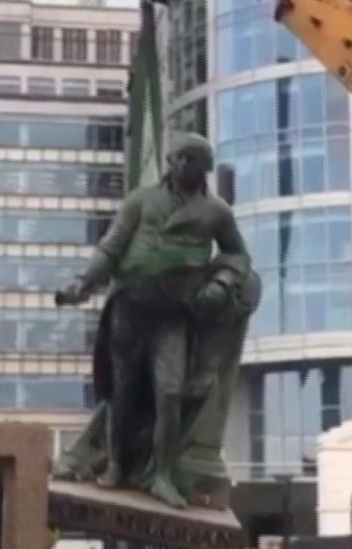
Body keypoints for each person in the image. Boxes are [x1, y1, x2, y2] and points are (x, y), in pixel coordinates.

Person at [56, 132, 251, 508]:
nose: (178, 165)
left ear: (203, 167)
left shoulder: (215, 211)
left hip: (174, 312)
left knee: (170, 392)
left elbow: (237, 256)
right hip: (131, 307)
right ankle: (117, 466)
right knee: (121, 394)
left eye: (188, 159)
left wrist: (222, 282)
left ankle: (160, 475)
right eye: (175, 158)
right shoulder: (141, 201)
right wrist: (83, 283)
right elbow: (111, 248)